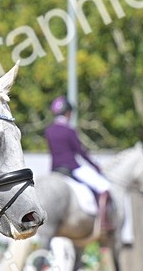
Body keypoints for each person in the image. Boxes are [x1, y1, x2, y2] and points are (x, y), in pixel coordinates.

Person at [44, 96, 112, 232]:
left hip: (55, 169)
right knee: (104, 186)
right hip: (72, 167)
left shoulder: (48, 131)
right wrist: (96, 166)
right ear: (67, 113)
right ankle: (103, 221)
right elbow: (81, 152)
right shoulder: (69, 131)